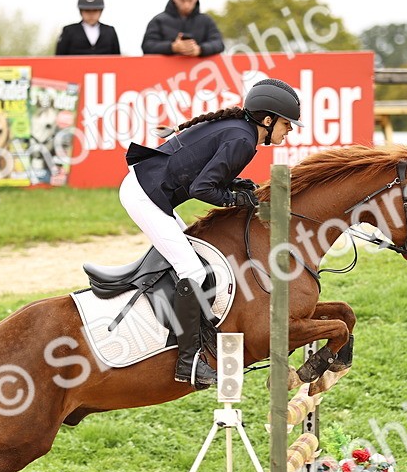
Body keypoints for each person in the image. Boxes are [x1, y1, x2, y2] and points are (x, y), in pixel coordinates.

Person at [121, 79, 301, 388]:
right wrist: (232, 198)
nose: (291, 130)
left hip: (151, 191)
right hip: (144, 195)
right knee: (191, 268)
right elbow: (201, 188)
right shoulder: (243, 139)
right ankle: (188, 361)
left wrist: (234, 185)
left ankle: (182, 330)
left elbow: (207, 175)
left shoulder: (242, 130)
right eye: (287, 123)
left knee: (196, 259)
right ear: (267, 120)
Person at [141, 0, 224, 57]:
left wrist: (200, 50)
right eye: (182, 0)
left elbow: (219, 44)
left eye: (190, 0)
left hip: (200, 70)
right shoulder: (158, 21)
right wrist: (172, 47)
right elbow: (147, 46)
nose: (186, 5)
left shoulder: (207, 21)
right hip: (167, 70)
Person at [56, 0, 121, 55]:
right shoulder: (69, 31)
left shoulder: (110, 32)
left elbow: (117, 58)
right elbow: (59, 59)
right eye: (87, 11)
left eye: (95, 10)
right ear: (81, 11)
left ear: (101, 11)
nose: (91, 14)